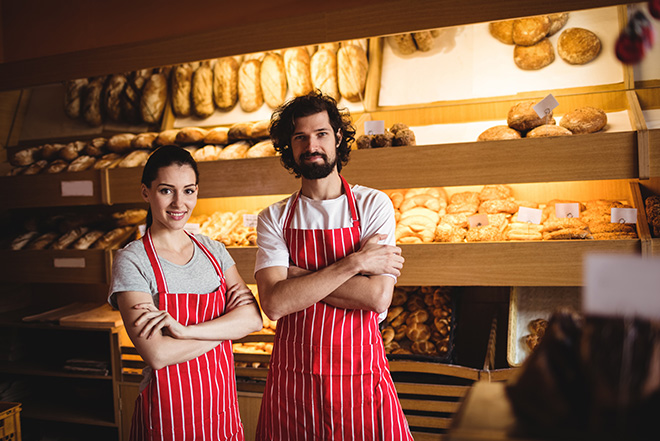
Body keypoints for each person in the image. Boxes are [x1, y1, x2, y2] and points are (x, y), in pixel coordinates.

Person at [254, 91, 413, 440]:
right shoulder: (274, 218)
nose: (312, 145)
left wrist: (297, 278)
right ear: (290, 147)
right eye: (300, 137)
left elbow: (375, 297)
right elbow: (275, 304)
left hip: (358, 376)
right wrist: (356, 262)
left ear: (338, 137)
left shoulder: (373, 204)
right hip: (293, 382)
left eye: (321, 134)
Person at [108, 145, 263, 440]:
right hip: (167, 418)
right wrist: (227, 329)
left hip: (222, 412)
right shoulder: (133, 261)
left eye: (189, 190)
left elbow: (254, 320)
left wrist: (183, 331)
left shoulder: (214, 250)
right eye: (167, 191)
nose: (180, 202)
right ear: (146, 192)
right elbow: (158, 353)